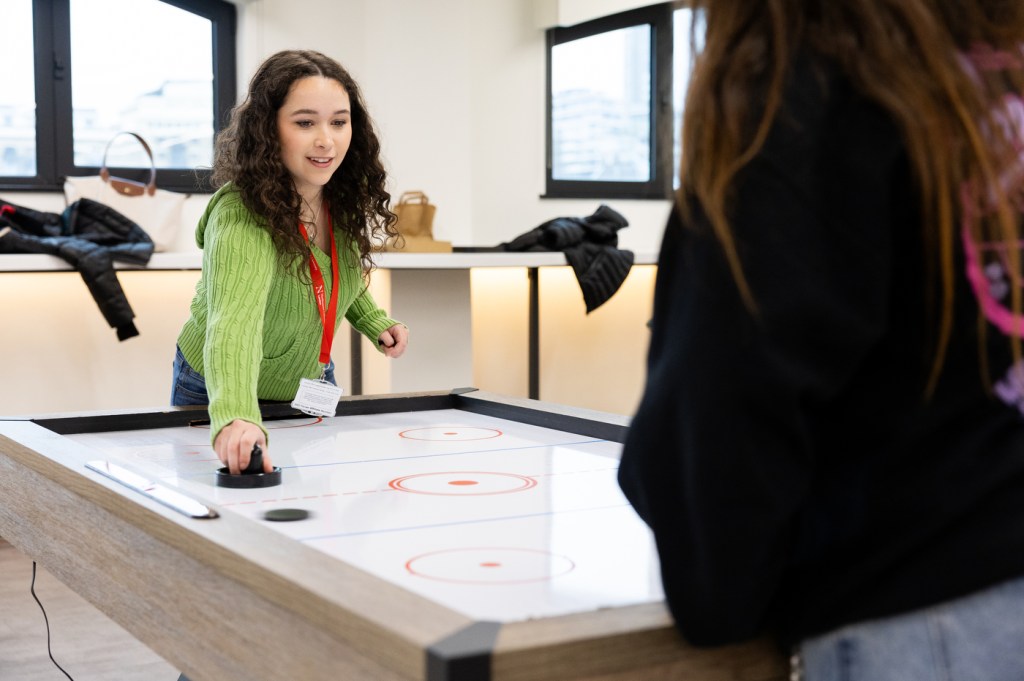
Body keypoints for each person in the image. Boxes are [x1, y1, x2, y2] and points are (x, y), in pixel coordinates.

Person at [617, 1, 1024, 679]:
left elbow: (719, 444)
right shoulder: (988, 79)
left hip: (925, 623)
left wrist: (719, 583)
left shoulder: (803, 91)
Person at [171, 50, 408, 476]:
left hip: (308, 382)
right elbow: (233, 322)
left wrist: (375, 321)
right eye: (304, 123)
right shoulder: (241, 212)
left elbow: (334, 275)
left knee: (313, 504)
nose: (326, 140)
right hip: (222, 385)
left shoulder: (340, 198)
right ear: (269, 129)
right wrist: (235, 416)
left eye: (338, 121)